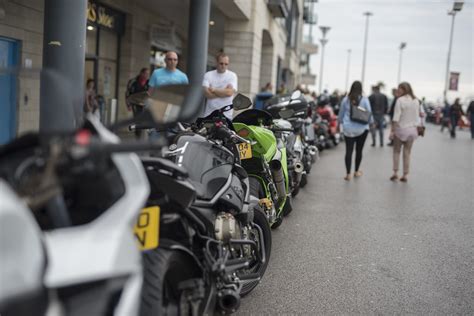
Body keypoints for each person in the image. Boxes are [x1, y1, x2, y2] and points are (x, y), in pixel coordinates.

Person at [338, 81, 372, 181]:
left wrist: (339, 123)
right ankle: (356, 171)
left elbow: (341, 114)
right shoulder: (365, 100)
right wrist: (371, 123)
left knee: (349, 151)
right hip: (362, 128)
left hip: (348, 128)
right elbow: (369, 113)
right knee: (359, 150)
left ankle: (348, 174)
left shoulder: (346, 100)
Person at [389, 82, 422, 183]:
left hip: (401, 129)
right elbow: (418, 116)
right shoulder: (416, 101)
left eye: (400, 88)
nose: (398, 90)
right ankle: (405, 174)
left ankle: (395, 173)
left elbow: (396, 117)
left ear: (404, 89)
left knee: (396, 151)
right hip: (412, 130)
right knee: (407, 153)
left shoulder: (400, 100)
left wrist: (392, 131)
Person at [201, 52, 238, 121]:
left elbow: (229, 93)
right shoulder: (208, 75)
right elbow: (207, 94)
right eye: (221, 63)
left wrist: (214, 90)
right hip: (209, 114)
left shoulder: (232, 75)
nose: (223, 66)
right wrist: (224, 91)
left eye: (226, 64)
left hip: (226, 115)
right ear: (216, 63)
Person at [126, 67, 150, 139]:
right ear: (141, 73)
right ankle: (138, 136)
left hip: (146, 104)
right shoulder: (133, 82)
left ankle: (146, 136)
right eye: (145, 73)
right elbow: (127, 93)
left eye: (148, 74)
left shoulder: (149, 82)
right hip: (135, 103)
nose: (147, 75)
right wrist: (128, 104)